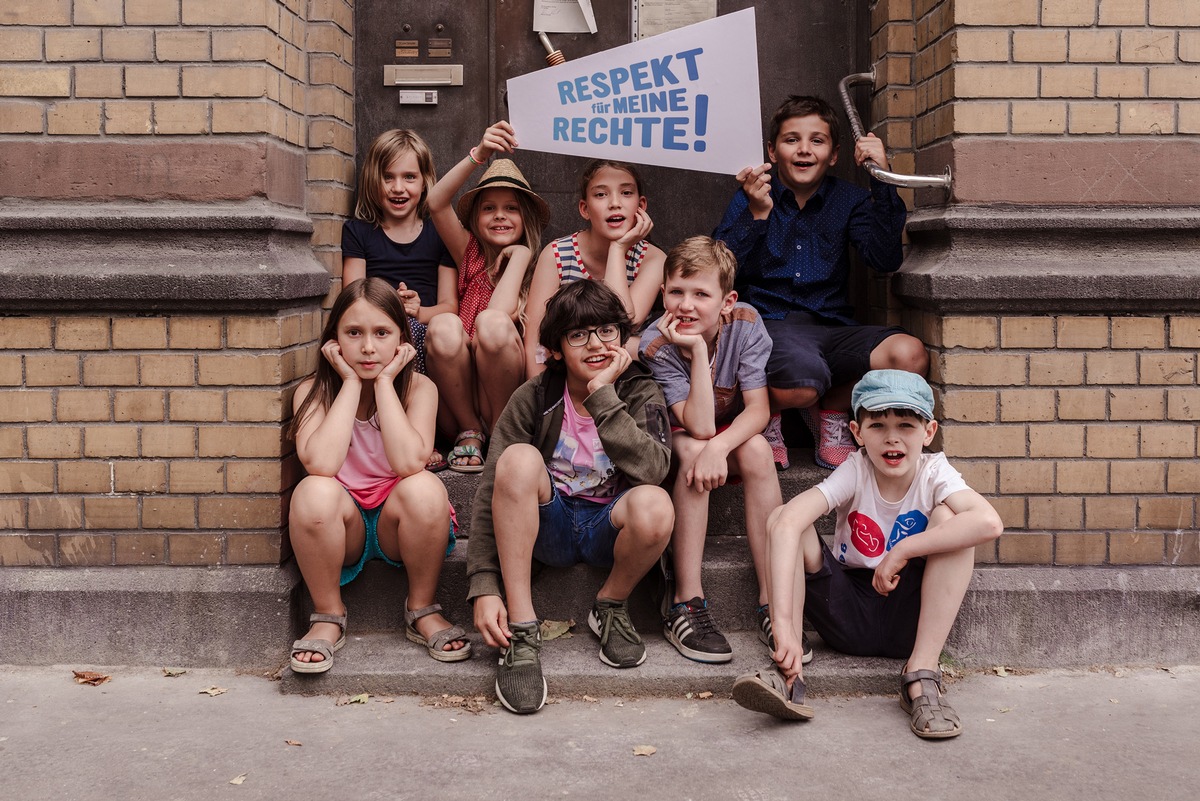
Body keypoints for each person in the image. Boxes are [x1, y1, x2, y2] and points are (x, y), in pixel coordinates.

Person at [731, 370, 1003, 739]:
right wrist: (783, 630)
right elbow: (784, 524)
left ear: (928, 432)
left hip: (910, 615)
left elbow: (988, 523)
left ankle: (922, 677)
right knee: (785, 517)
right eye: (877, 426)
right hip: (847, 611)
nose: (892, 438)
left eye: (906, 425)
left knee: (952, 520)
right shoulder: (856, 468)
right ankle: (788, 673)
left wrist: (904, 549)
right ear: (857, 433)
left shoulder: (934, 471)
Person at [467, 280, 674, 714]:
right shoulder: (536, 395)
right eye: (578, 335)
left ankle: (611, 604)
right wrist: (485, 585)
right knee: (518, 460)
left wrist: (603, 395)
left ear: (621, 337)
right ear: (557, 348)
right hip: (547, 525)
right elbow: (494, 485)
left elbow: (654, 469)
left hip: (608, 530)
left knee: (656, 504)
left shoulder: (639, 391)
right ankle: (523, 631)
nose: (596, 344)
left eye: (606, 332)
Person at [714, 95, 928, 471]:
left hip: (832, 327)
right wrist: (757, 215)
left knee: (909, 355)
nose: (803, 150)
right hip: (770, 326)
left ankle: (831, 410)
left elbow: (884, 258)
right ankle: (766, 417)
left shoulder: (849, 199)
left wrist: (882, 178)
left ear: (833, 154)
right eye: (791, 139)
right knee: (802, 380)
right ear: (772, 150)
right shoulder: (753, 195)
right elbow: (719, 271)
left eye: (817, 140)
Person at [286, 278, 471, 674]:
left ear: (401, 341)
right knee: (312, 491)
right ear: (334, 339)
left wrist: (385, 383)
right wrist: (351, 383)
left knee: (424, 487)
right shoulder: (312, 392)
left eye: (382, 333)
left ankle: (421, 608)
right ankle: (327, 613)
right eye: (354, 333)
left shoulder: (420, 388)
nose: (368, 347)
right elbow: (320, 464)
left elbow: (408, 464)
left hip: (399, 523)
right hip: (342, 524)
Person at [639, 236, 785, 664]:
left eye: (701, 294)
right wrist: (698, 348)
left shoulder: (746, 322)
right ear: (663, 292)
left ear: (727, 301)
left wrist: (720, 447)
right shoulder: (657, 341)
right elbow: (696, 424)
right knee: (690, 451)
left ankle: (772, 601)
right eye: (677, 292)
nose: (686, 305)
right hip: (678, 434)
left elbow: (758, 410)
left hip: (725, 432)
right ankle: (686, 601)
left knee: (757, 450)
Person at [425, 121, 549, 472]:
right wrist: (478, 155)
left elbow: (497, 315)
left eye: (511, 208)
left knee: (492, 326)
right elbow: (435, 201)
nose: (499, 216)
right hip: (458, 397)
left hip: (506, 402)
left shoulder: (541, 266)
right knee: (444, 325)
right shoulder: (469, 253)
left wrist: (521, 256)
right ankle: (470, 432)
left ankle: (500, 431)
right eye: (488, 208)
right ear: (476, 218)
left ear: (525, 217)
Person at [341, 128, 457, 470]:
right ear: (373, 181)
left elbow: (451, 306)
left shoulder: (438, 233)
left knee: (414, 332)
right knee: (392, 335)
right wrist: (387, 307)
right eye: (388, 177)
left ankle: (424, 435)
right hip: (376, 326)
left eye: (409, 177)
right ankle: (385, 434)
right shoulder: (359, 231)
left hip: (425, 325)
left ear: (425, 182)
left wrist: (419, 310)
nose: (398, 188)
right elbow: (352, 298)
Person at [524, 159, 666, 377]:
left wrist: (618, 249)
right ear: (585, 208)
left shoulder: (653, 258)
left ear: (641, 205)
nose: (615, 203)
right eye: (601, 195)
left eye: (626, 193)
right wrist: (541, 400)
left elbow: (624, 321)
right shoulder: (556, 254)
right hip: (568, 369)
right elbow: (535, 342)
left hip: (625, 370)